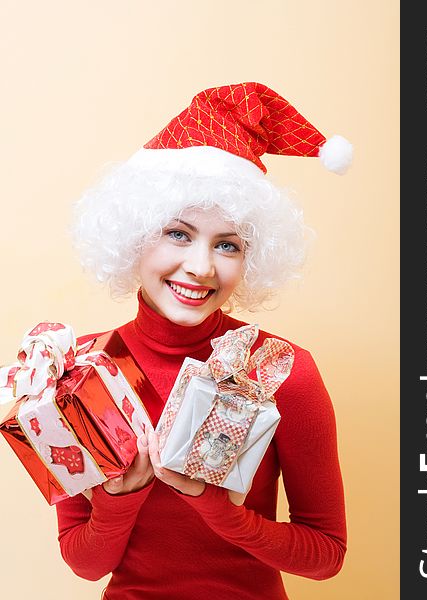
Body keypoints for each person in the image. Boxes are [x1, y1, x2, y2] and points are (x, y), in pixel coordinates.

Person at [56, 82, 352, 600]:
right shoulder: (81, 371)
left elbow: (326, 555)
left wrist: (219, 508)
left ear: (252, 258)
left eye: (228, 244)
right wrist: (118, 500)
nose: (200, 266)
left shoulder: (281, 369)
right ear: (133, 235)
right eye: (178, 233)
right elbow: (84, 564)